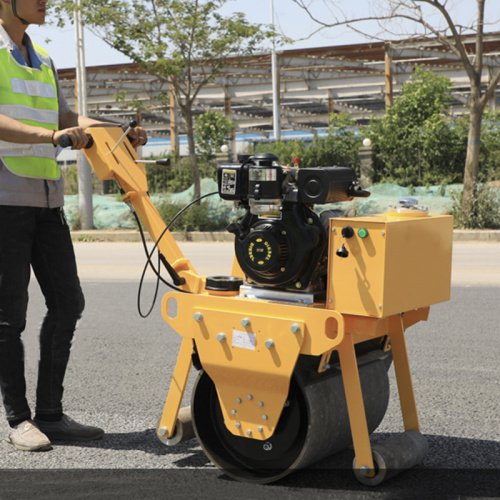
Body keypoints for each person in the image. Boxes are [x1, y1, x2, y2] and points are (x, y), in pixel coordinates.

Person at [0, 0, 148, 451]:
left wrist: (115, 130)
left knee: (69, 301)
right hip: (5, 201)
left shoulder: (42, 58)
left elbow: (66, 119)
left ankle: (51, 414)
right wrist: (49, 137)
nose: (46, 2)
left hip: (46, 199)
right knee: (10, 316)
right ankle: (19, 419)